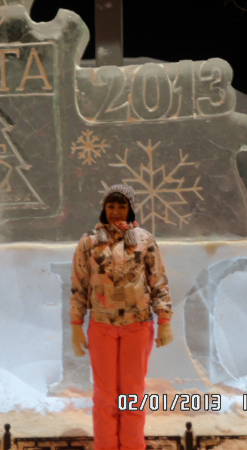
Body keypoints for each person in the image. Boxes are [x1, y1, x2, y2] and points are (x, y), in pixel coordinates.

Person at [69, 184, 174, 450]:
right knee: (105, 396)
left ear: (130, 209)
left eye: (122, 206)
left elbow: (158, 282)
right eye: (111, 206)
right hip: (102, 327)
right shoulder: (89, 241)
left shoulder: (144, 240)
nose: (116, 211)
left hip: (137, 327)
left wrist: (164, 320)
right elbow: (79, 284)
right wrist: (76, 324)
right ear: (104, 208)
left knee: (133, 395)